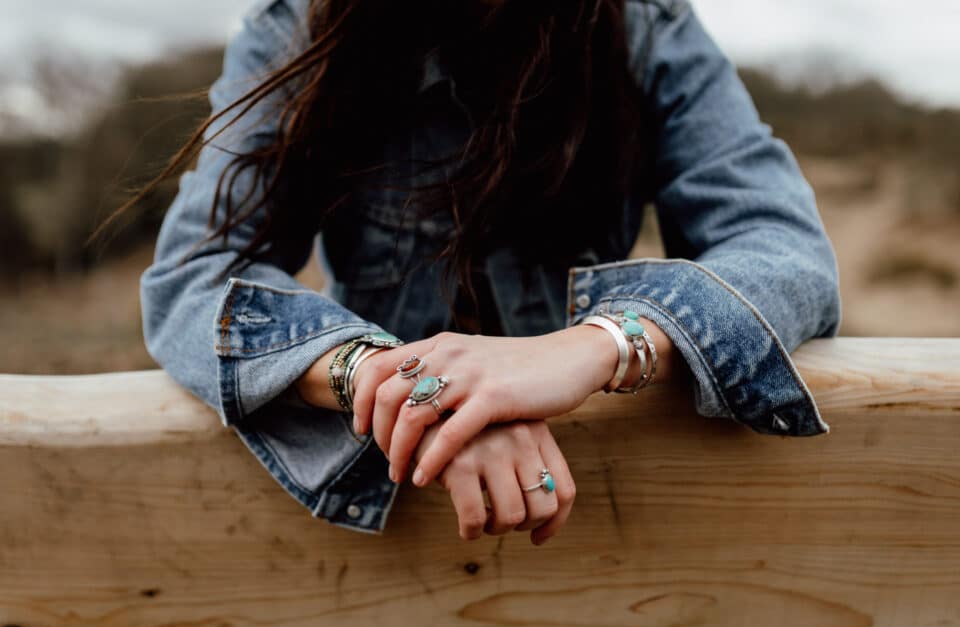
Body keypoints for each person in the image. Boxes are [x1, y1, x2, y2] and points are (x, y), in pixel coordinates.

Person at [135, 0, 840, 546]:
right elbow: (196, 275)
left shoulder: (643, 23)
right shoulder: (303, 22)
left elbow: (782, 248)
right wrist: (405, 385)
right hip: (380, 543)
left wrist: (591, 348)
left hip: (597, 522)